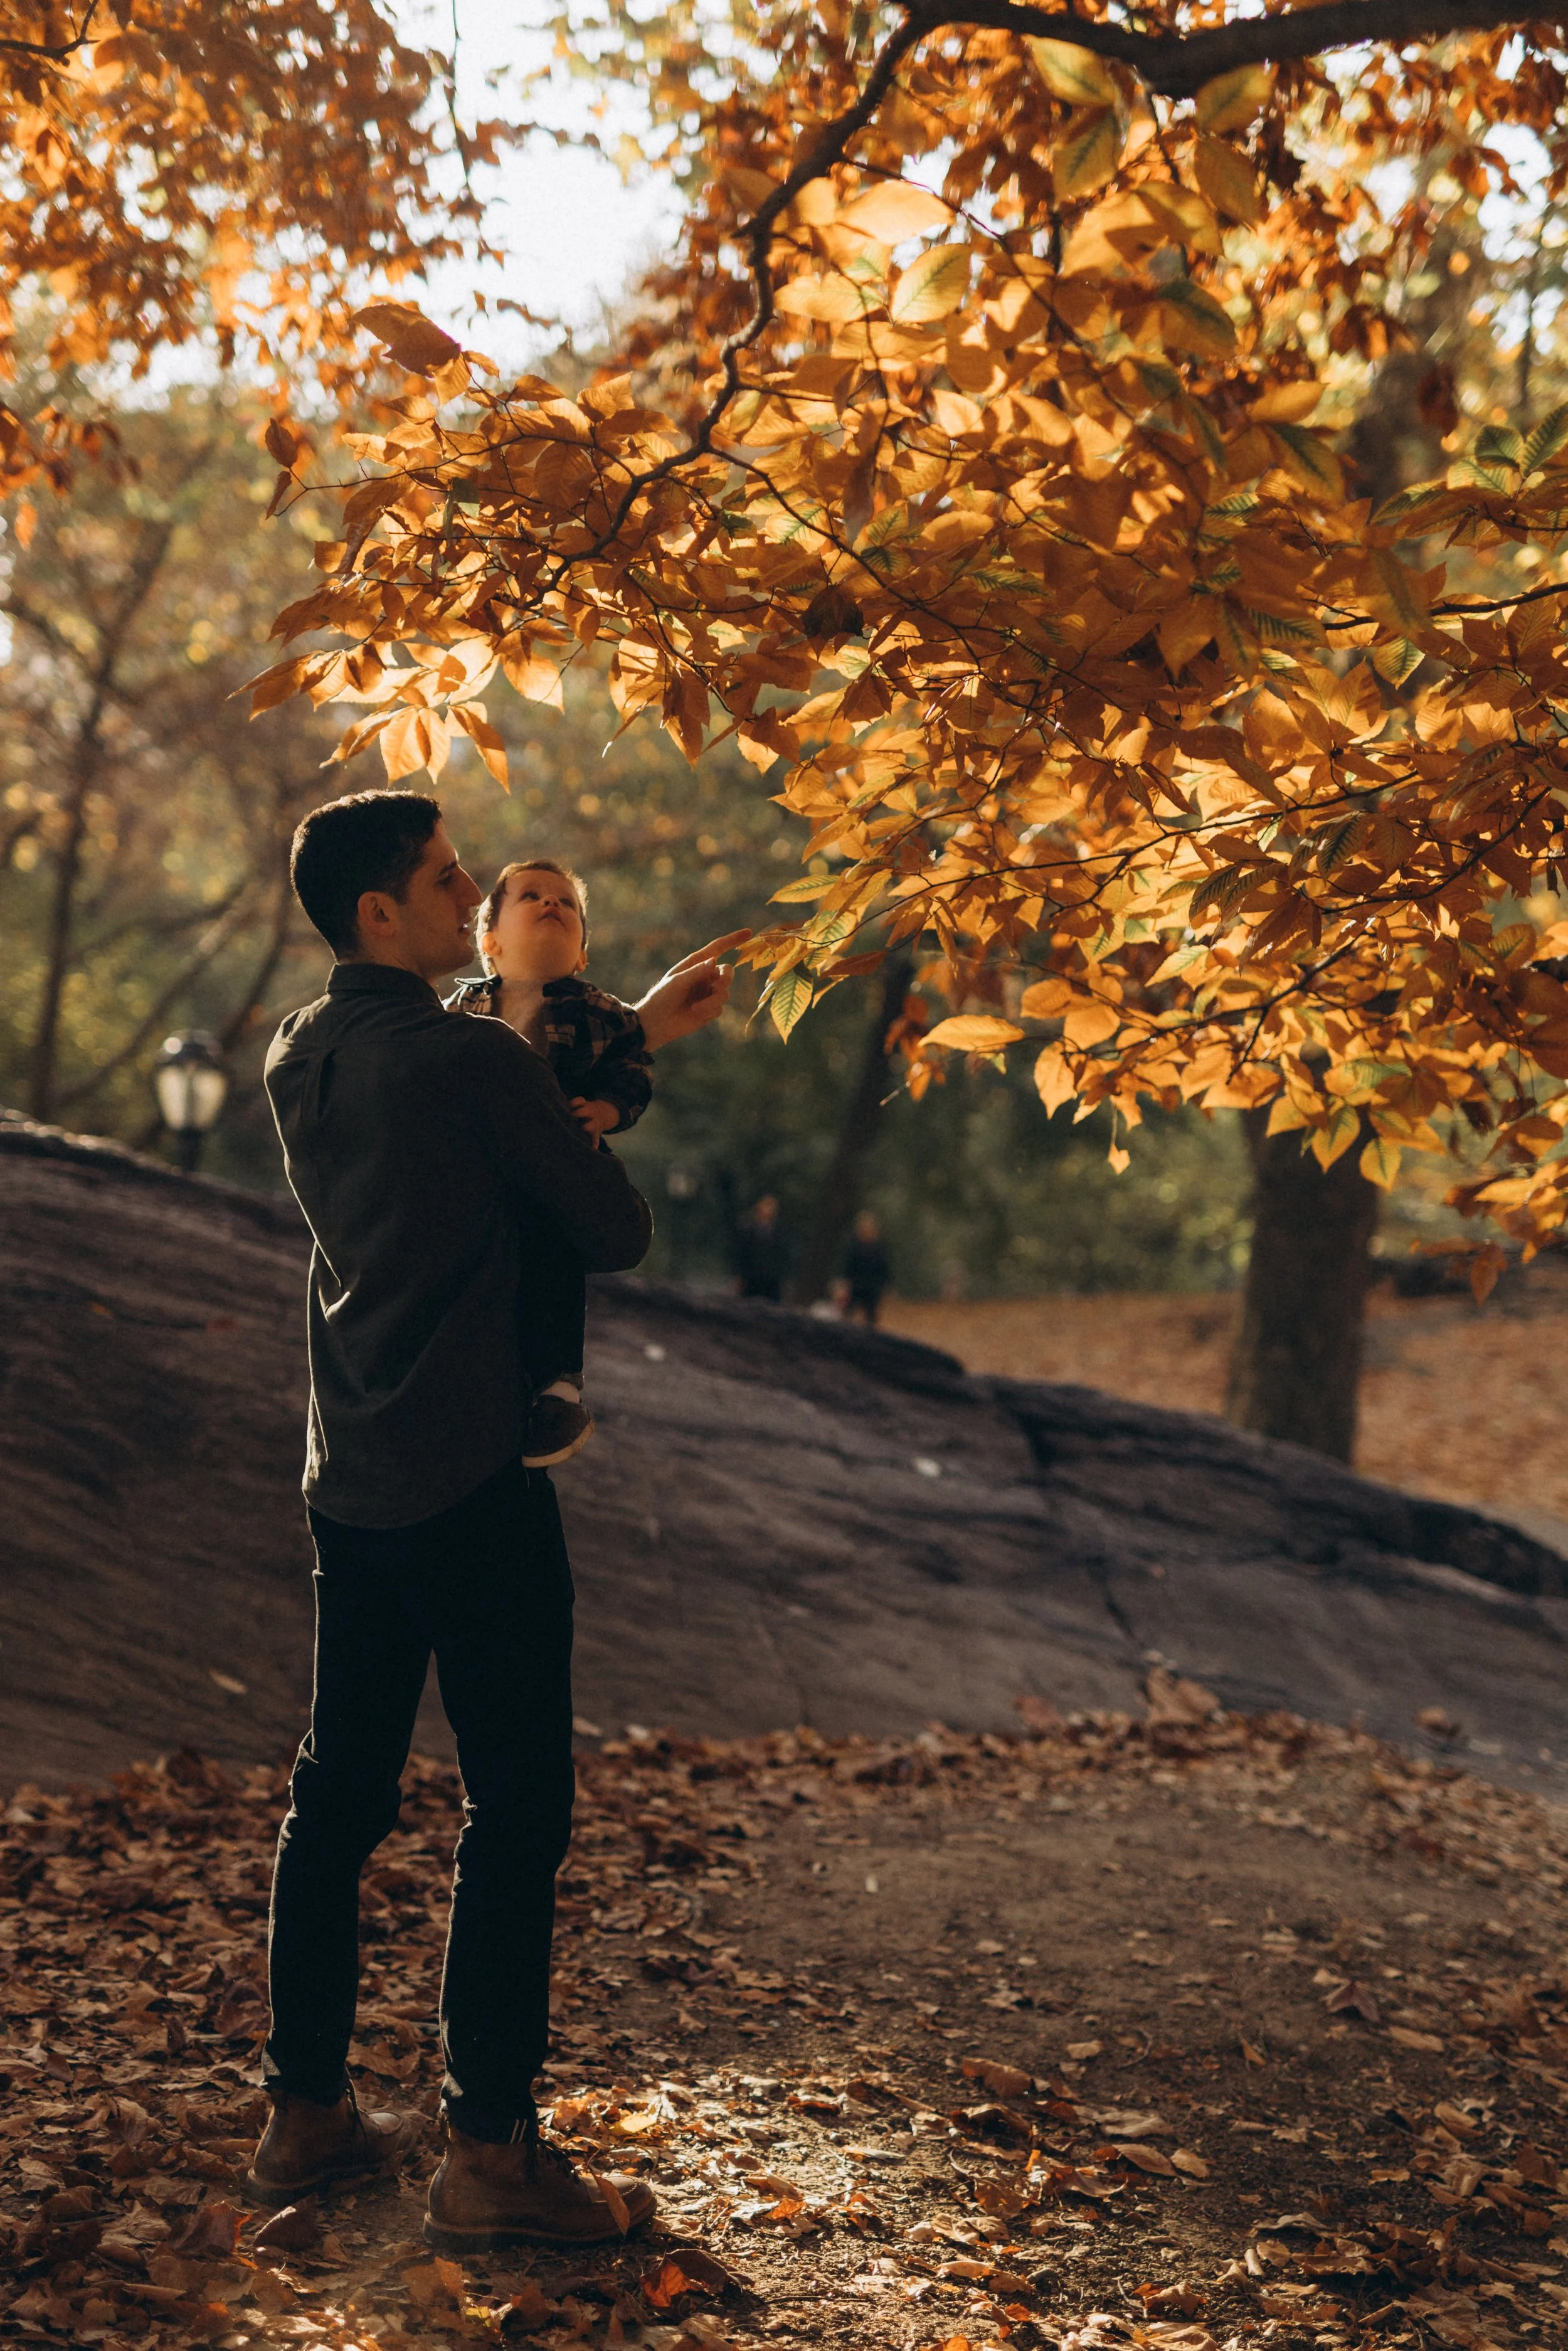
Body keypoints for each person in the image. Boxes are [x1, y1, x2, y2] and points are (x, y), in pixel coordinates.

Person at [246, 788, 736, 2251]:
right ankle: (489, 2149)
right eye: (449, 879)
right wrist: (607, 1083)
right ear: (381, 914)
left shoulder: (298, 1049)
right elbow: (611, 1227)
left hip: (352, 1472)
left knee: (336, 1797)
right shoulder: (467, 1058)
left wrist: (615, 1029)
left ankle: (305, 2114)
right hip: (474, 1477)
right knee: (514, 1807)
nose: (472, 896)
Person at [446, 857, 736, 1470]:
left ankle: (559, 1389)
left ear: (581, 954)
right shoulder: (459, 1011)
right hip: (474, 1181)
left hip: (555, 1180)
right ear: (489, 942)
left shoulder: (600, 1012)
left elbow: (633, 1071)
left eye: (567, 903)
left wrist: (605, 1111)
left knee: (553, 1269)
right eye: (531, 897)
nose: (552, 904)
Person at [734, 1192, 789, 1302]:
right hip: (751, 1278)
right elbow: (741, 1254)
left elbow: (783, 1256)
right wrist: (739, 1276)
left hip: (772, 1280)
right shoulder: (748, 1230)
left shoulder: (779, 1232)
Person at [842, 1207, 893, 1325]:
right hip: (855, 1286)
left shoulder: (878, 1249)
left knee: (871, 1318)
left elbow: (884, 1269)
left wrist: (886, 1286)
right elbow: (847, 1267)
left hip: (872, 1288)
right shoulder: (854, 1247)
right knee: (848, 1316)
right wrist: (845, 1284)